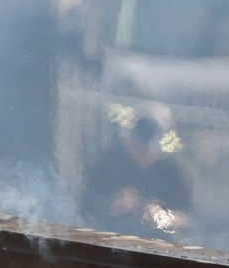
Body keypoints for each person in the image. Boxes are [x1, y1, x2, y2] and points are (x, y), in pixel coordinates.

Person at [79, 102, 194, 240]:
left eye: (153, 137)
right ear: (130, 135)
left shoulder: (172, 173)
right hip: (109, 243)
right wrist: (112, 206)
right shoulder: (106, 166)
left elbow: (190, 220)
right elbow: (84, 210)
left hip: (159, 247)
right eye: (142, 136)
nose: (146, 148)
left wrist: (164, 217)